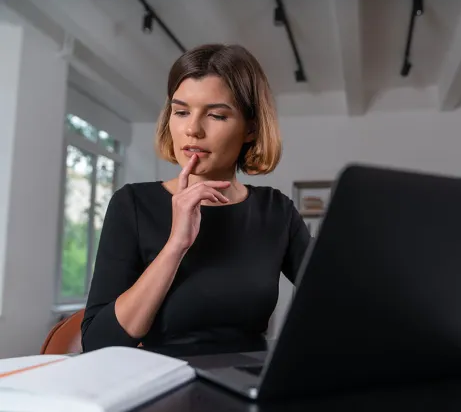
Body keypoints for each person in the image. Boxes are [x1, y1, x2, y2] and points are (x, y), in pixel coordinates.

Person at [81, 44, 311, 352]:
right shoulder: (132, 204)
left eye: (216, 115)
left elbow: (337, 304)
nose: (192, 129)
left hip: (247, 387)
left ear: (251, 129)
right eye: (181, 112)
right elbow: (98, 342)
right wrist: (176, 246)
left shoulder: (277, 211)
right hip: (160, 386)